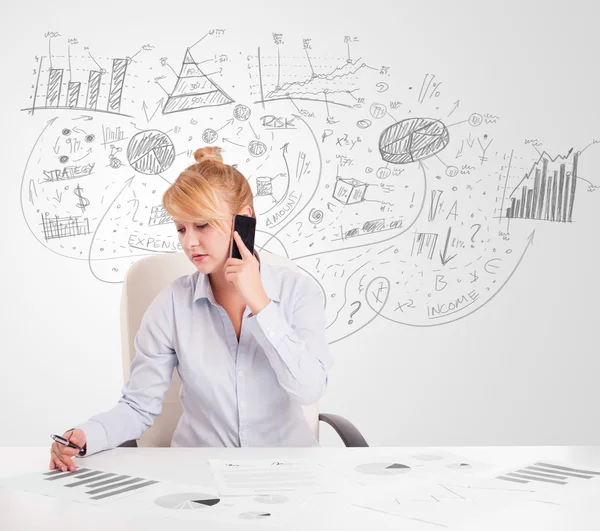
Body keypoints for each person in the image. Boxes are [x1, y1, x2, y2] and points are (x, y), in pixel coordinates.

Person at [49, 146, 333, 472]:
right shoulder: (171, 304)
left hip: (288, 472)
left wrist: (261, 303)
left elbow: (308, 388)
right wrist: (86, 435)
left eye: (202, 225)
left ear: (246, 219)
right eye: (181, 229)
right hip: (201, 474)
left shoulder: (298, 292)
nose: (189, 243)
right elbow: (139, 405)